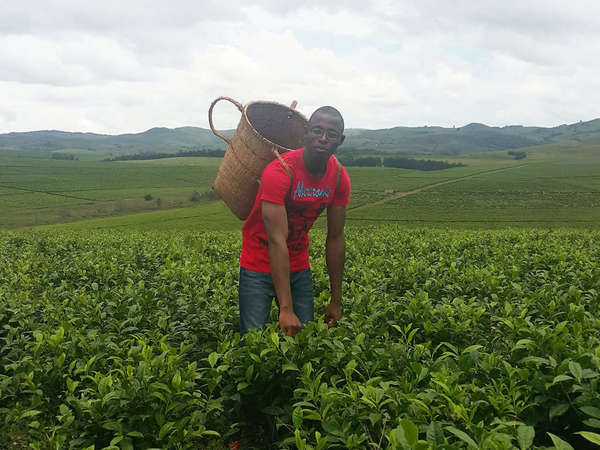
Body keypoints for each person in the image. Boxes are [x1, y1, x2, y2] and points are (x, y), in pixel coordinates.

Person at [238, 106, 350, 337]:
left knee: (302, 340)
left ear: (340, 140)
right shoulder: (279, 171)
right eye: (317, 130)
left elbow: (336, 238)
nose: (323, 138)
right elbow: (277, 240)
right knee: (252, 341)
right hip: (258, 263)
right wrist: (286, 309)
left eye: (331, 134)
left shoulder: (339, 178)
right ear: (306, 133)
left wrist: (335, 300)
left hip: (298, 264)